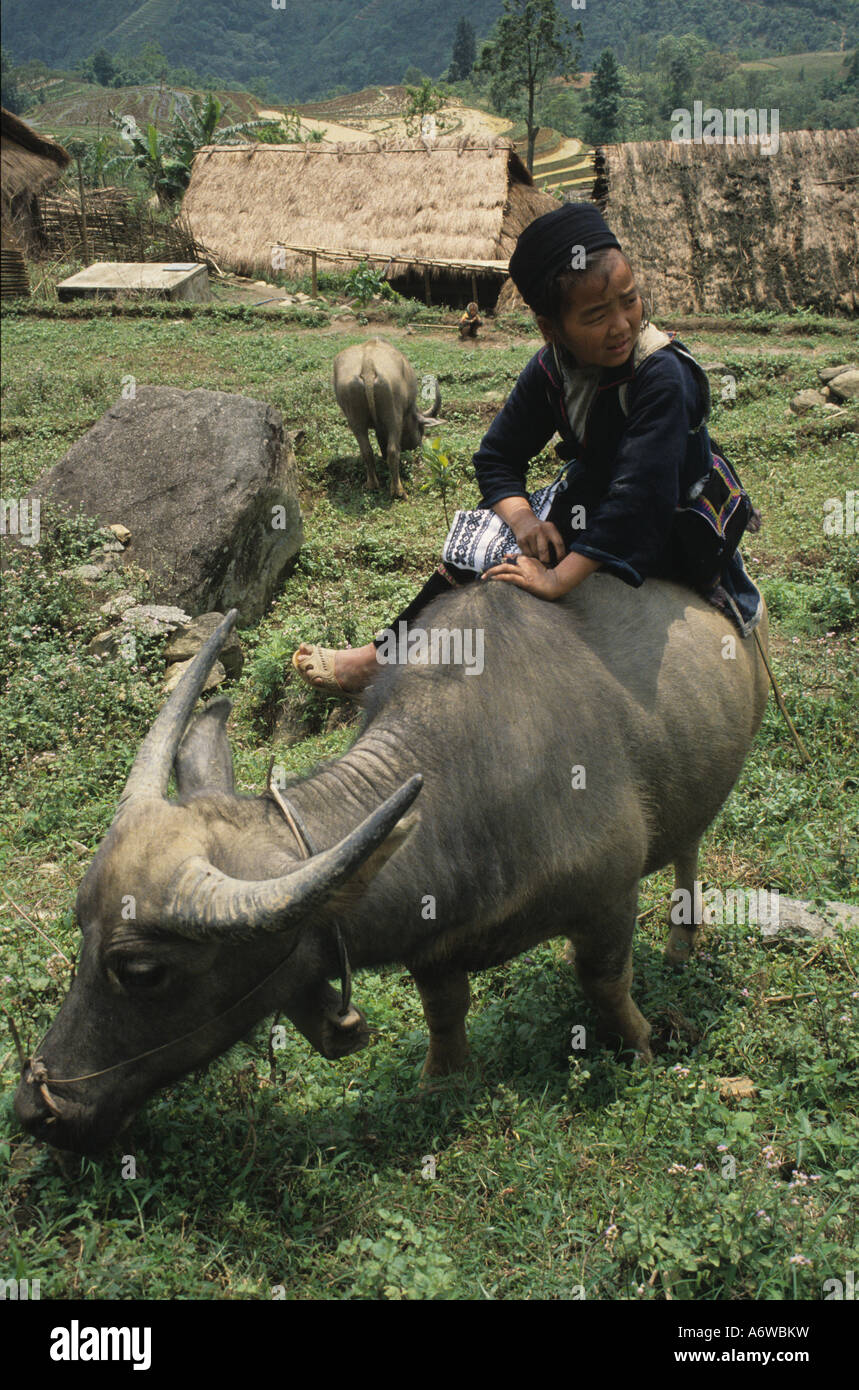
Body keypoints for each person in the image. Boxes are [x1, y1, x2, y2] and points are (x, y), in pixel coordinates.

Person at [293, 202, 761, 695]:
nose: (622, 324)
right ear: (551, 328)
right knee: (481, 544)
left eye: (630, 300)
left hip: (669, 510)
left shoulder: (660, 375)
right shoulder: (552, 369)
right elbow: (497, 456)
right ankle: (379, 656)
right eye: (597, 315)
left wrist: (558, 580)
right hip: (597, 493)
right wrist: (525, 523)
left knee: (553, 572)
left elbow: (641, 497)